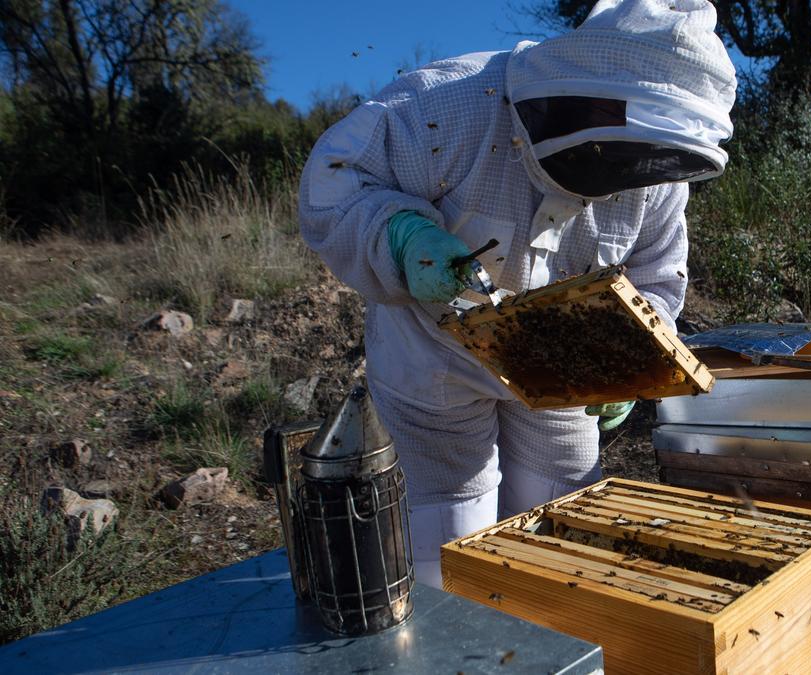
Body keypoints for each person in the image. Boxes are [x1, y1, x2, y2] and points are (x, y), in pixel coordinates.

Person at [298, 0, 736, 587]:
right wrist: (398, 233)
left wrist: (627, 364)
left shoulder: (655, 177)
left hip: (558, 376)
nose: (626, 175)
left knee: (563, 518)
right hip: (432, 357)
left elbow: (658, 275)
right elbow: (334, 179)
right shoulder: (444, 105)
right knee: (447, 534)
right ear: (593, 94)